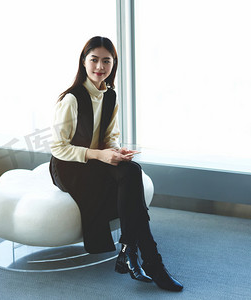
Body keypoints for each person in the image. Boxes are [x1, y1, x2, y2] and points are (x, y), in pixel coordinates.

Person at [49, 36, 183, 292]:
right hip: (68, 167)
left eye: (106, 61)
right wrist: (100, 155)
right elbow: (58, 147)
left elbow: (109, 137)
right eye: (94, 60)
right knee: (131, 178)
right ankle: (142, 258)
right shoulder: (71, 99)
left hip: (96, 160)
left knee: (131, 170)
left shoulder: (110, 95)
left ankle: (134, 252)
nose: (100, 66)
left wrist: (116, 151)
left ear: (113, 64)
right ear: (84, 62)